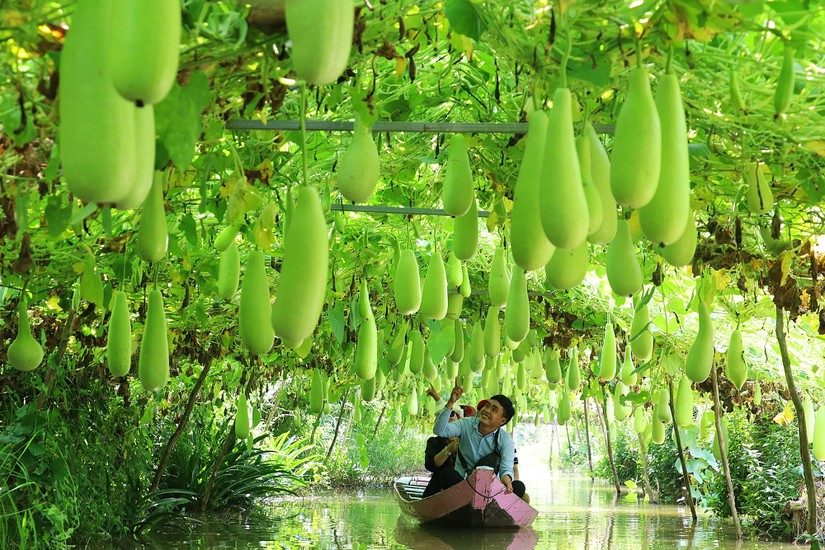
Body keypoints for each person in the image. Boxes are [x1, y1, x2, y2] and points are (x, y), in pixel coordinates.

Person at [429, 379, 526, 499]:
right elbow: (439, 431)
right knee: (446, 475)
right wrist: (451, 402)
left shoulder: (505, 440)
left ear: (502, 421)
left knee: (519, 487)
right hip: (462, 485)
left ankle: (493, 503)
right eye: (487, 406)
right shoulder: (465, 424)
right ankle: (468, 501)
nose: (487, 410)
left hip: (491, 489)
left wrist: (506, 480)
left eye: (494, 409)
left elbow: (506, 468)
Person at [421, 388, 476, 497]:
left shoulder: (468, 439)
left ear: (459, 418)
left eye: (451, 415)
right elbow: (431, 465)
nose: (447, 419)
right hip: (438, 489)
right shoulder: (434, 442)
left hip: (467, 488)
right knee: (446, 474)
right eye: (441, 417)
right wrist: (448, 450)